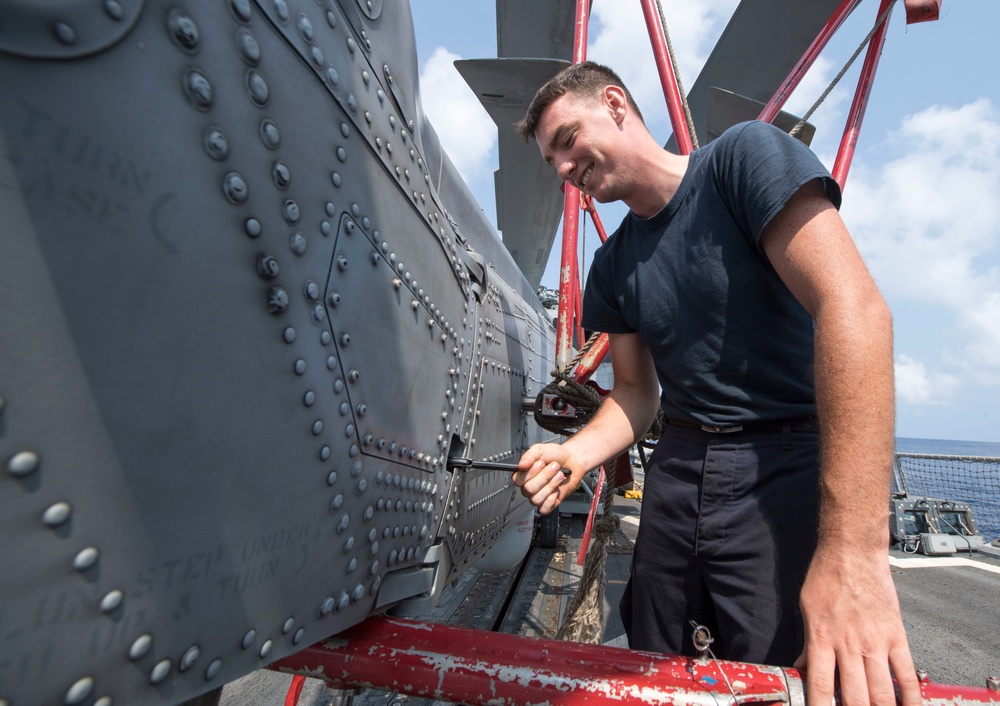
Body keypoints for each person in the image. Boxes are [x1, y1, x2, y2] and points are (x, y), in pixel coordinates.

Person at [512, 61, 920, 706]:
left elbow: (855, 310)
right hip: (680, 469)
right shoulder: (612, 264)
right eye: (551, 161)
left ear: (615, 103)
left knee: (784, 672)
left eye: (566, 140)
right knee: (657, 664)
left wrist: (855, 553)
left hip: (782, 464)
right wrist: (575, 453)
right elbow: (637, 394)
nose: (563, 168)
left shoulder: (742, 159)